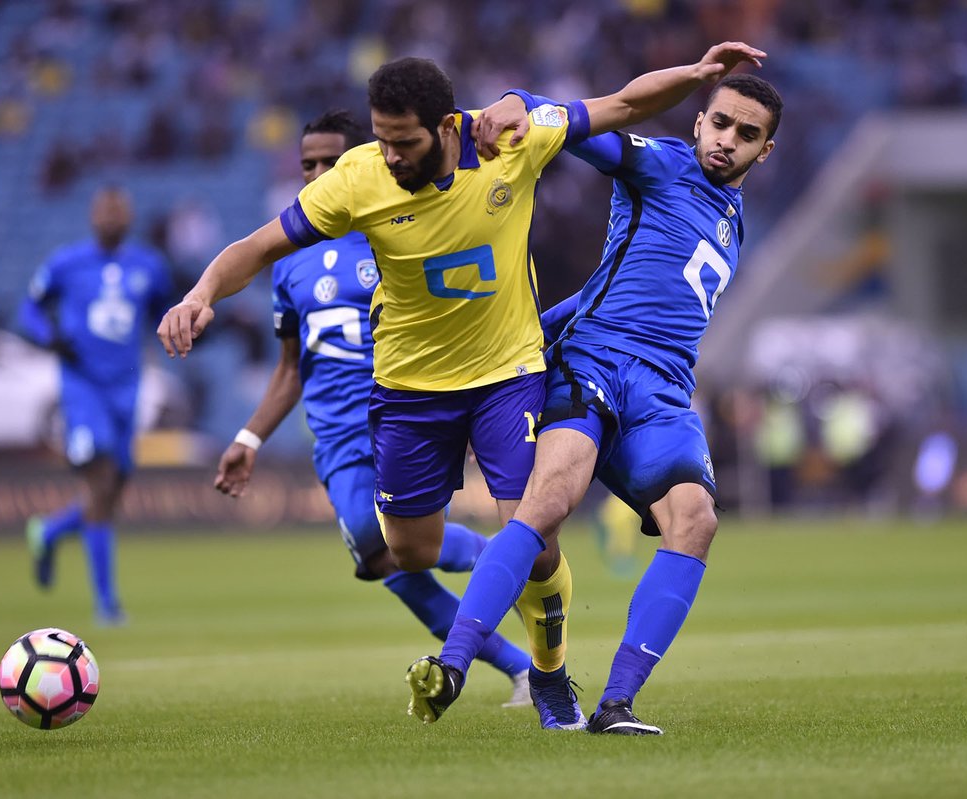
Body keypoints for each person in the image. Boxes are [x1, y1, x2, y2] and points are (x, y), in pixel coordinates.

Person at [157, 42, 766, 730]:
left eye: (403, 141)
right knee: (408, 549)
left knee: (540, 530)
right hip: (412, 386)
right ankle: (494, 591)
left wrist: (683, 77)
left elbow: (619, 105)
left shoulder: (511, 144)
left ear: (446, 125)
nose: (390, 155)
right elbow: (259, 247)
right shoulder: (356, 179)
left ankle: (548, 675)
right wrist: (203, 290)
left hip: (509, 375)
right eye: (382, 140)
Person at [413, 71, 782, 735]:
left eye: (747, 133)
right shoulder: (659, 163)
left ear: (766, 150)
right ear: (699, 122)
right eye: (720, 123)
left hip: (664, 394)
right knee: (547, 507)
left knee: (696, 520)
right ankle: (456, 663)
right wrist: (517, 104)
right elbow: (574, 127)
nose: (728, 140)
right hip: (594, 368)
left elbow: (625, 290)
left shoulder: (734, 220)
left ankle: (615, 705)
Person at [213, 110, 532, 706]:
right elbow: (290, 368)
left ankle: (510, 594)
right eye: (306, 164)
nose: (316, 174)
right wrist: (250, 439)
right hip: (334, 437)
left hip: (398, 411)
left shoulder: (391, 226)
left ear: (360, 161)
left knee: (386, 547)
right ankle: (507, 606)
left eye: (329, 163)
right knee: (378, 553)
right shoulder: (290, 262)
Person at [20, 186, 174, 625]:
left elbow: (166, 312)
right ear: (92, 216)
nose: (111, 216)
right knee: (102, 484)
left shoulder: (149, 266)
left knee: (113, 491)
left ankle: (48, 532)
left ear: (129, 216)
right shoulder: (66, 263)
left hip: (127, 390)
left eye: (119, 209)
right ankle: (107, 605)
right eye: (105, 209)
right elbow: (29, 308)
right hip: (83, 389)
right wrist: (50, 338)